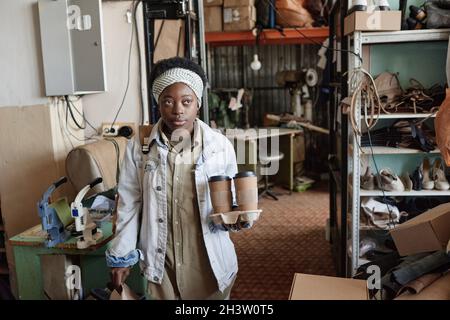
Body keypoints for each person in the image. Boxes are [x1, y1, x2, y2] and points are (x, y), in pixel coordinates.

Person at [106, 57, 239, 300]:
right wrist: (121, 256)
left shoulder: (219, 146)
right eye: (168, 101)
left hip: (208, 262)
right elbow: (129, 202)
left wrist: (236, 217)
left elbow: (231, 202)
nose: (178, 109)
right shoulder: (141, 147)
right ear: (158, 103)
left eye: (186, 101)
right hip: (161, 263)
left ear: (197, 104)